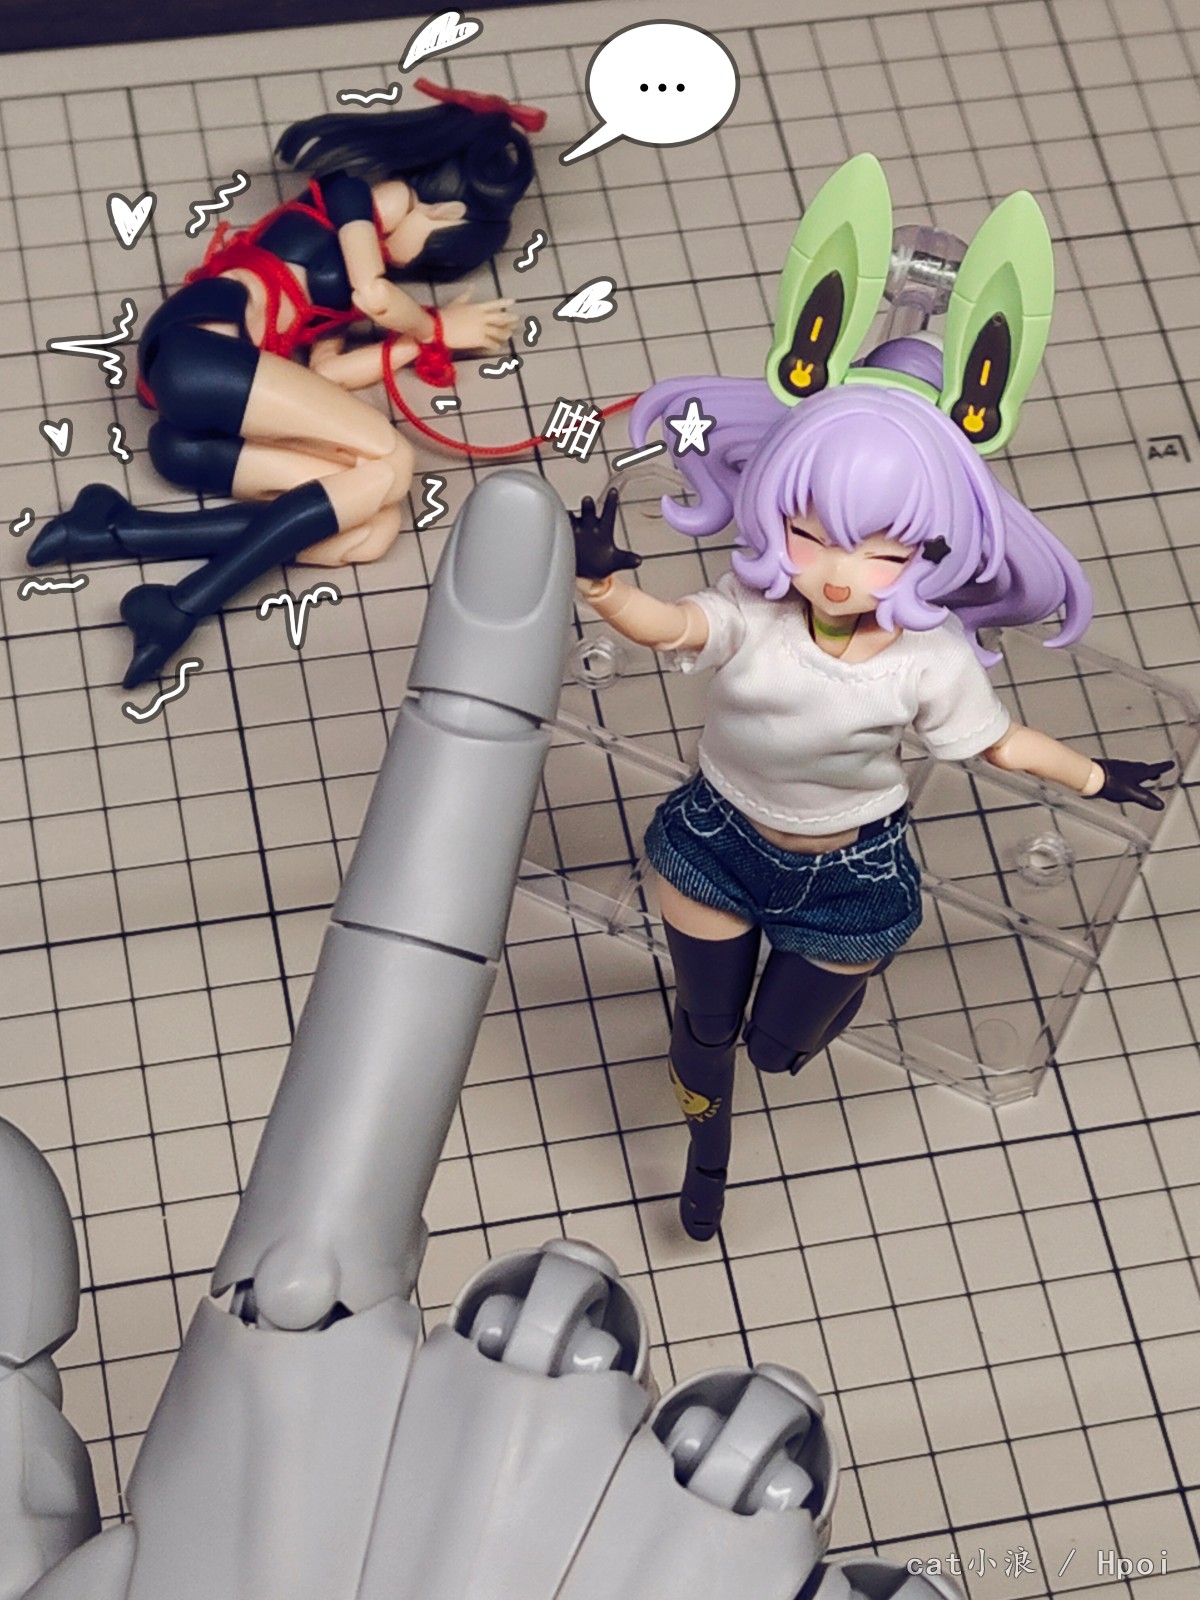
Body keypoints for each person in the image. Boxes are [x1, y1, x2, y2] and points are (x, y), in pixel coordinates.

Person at [572, 158, 1171, 1241]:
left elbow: (998, 744)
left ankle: (777, 1048)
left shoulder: (929, 660)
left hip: (848, 877)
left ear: (937, 543)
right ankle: (706, 1159)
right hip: (715, 838)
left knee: (777, 1048)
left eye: (885, 549)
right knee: (704, 1030)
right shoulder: (755, 610)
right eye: (809, 534)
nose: (841, 574)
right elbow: (677, 626)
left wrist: (1096, 775)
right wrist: (608, 587)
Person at [29, 81, 543, 687]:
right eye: (435, 253)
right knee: (392, 461)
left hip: (195, 435)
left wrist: (415, 344)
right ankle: (182, 604)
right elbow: (374, 294)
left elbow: (326, 375)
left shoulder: (342, 285)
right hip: (197, 357)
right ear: (443, 212)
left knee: (370, 529)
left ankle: (115, 529)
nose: (417, 266)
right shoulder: (350, 198)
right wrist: (434, 327)